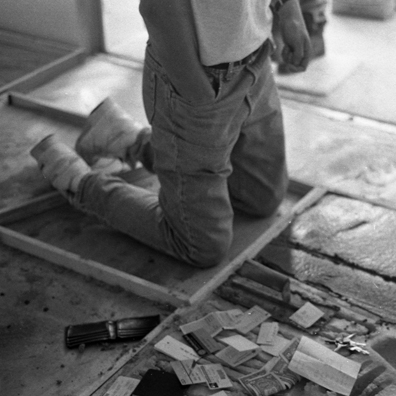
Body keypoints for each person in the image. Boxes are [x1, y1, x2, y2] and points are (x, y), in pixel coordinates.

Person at [30, 0, 312, 268]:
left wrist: (288, 10)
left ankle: (125, 137)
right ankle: (76, 180)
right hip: (199, 79)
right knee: (201, 245)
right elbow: (157, 8)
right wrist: (196, 92)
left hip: (256, 61)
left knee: (261, 198)